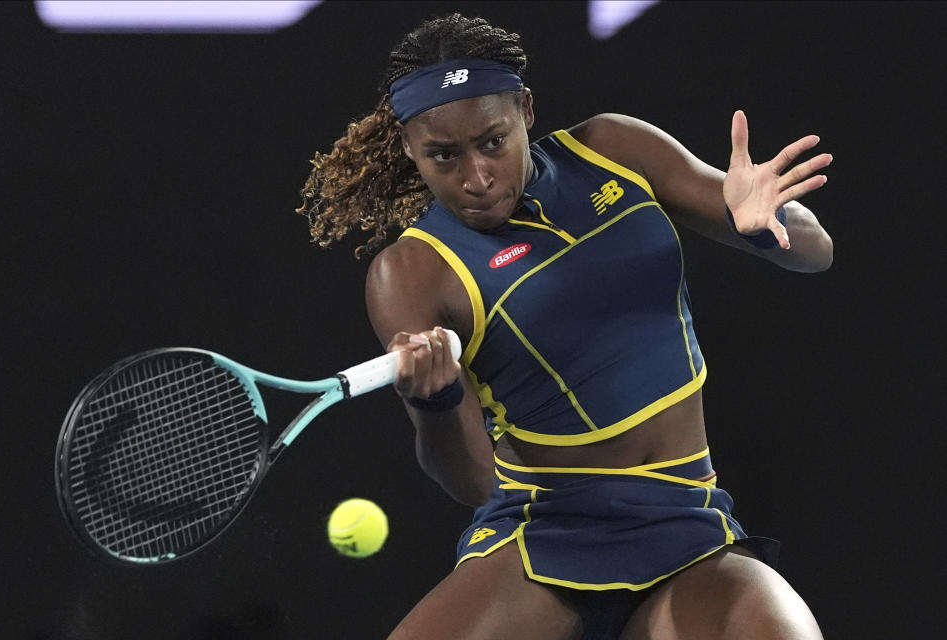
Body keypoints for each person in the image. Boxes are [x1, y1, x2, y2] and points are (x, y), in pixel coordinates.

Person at [298, 13, 832, 640]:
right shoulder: (411, 274)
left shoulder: (612, 149)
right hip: (543, 538)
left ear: (525, 109)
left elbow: (815, 250)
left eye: (492, 142)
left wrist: (770, 225)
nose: (476, 178)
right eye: (443, 156)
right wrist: (435, 403)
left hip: (687, 519)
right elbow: (473, 483)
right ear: (409, 145)